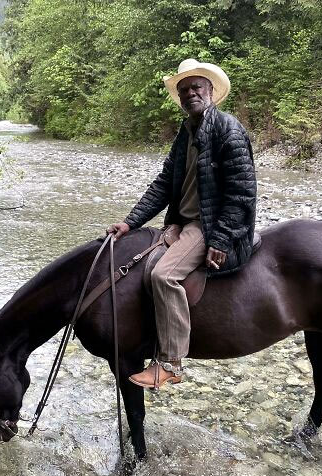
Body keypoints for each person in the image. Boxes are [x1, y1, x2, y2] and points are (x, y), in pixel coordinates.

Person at [107, 58, 257, 389]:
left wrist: (220, 239)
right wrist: (130, 223)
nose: (191, 93)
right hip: (184, 222)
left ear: (211, 92)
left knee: (163, 275)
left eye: (197, 87)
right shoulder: (186, 132)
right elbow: (164, 184)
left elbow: (242, 194)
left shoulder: (228, 130)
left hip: (210, 226)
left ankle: (171, 362)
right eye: (184, 89)